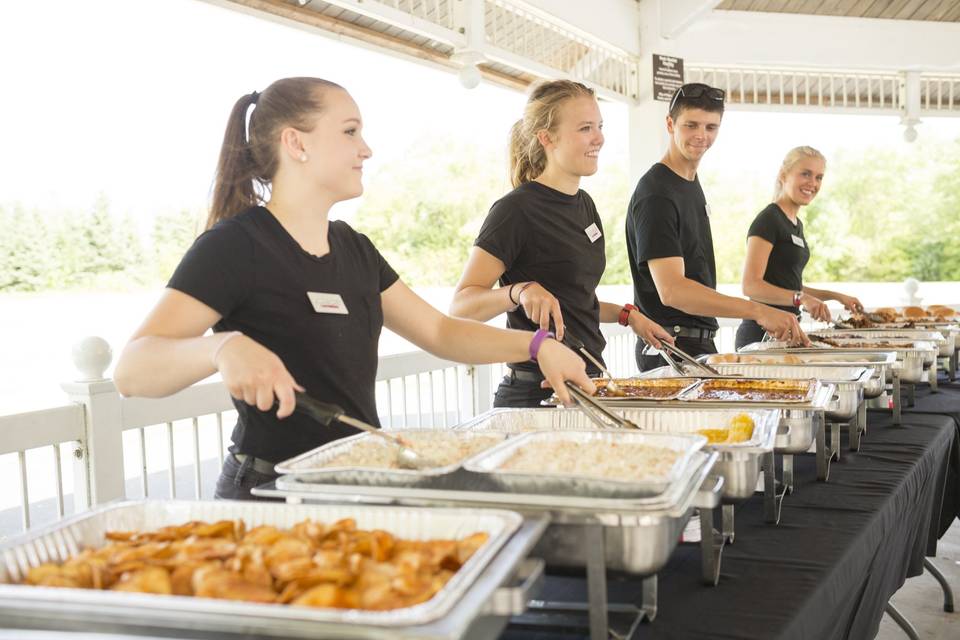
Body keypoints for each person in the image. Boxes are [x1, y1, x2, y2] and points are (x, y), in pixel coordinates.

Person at [113, 77, 593, 500]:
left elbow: (442, 332)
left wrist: (537, 345)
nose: (366, 149)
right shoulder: (236, 246)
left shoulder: (354, 248)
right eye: (350, 132)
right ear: (296, 143)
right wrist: (222, 348)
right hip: (268, 494)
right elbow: (132, 372)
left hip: (354, 481)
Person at [449, 80, 673, 407]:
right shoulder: (515, 211)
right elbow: (460, 308)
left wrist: (629, 316)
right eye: (585, 128)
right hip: (535, 396)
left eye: (600, 126)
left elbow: (575, 302)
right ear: (546, 138)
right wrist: (519, 290)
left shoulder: (585, 205)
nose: (599, 138)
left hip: (587, 386)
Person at [625, 82, 808, 371]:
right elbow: (672, 291)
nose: (701, 136)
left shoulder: (688, 182)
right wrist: (758, 311)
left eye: (711, 128)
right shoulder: (657, 193)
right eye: (691, 125)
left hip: (695, 342)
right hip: (670, 346)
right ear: (670, 124)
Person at [735, 146, 863, 349]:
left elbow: (787, 284)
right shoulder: (769, 219)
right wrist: (800, 298)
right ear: (783, 175)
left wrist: (835, 297)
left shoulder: (796, 224)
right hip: (760, 336)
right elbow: (751, 285)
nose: (812, 183)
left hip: (785, 334)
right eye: (805, 174)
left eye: (819, 177)